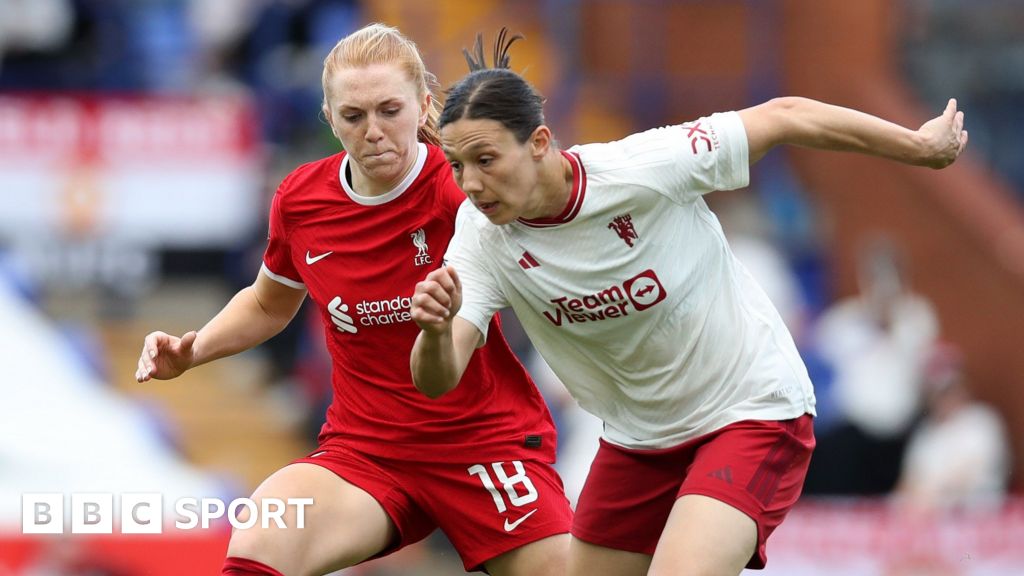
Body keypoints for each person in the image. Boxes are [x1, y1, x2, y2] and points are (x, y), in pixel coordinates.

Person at [409, 31, 968, 576]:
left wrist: (916, 146)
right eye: (457, 166)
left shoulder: (644, 166)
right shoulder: (479, 235)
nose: (472, 183)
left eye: (486, 159)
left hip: (750, 409)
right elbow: (438, 379)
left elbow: (783, 114)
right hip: (638, 441)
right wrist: (434, 331)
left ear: (538, 142)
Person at [134, 24, 571, 576]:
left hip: (483, 443)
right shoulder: (301, 199)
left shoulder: (463, 190)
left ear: (423, 105)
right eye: (354, 116)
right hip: (367, 452)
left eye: (390, 110)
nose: (374, 132)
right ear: (329, 116)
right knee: (265, 531)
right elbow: (270, 304)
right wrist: (193, 350)